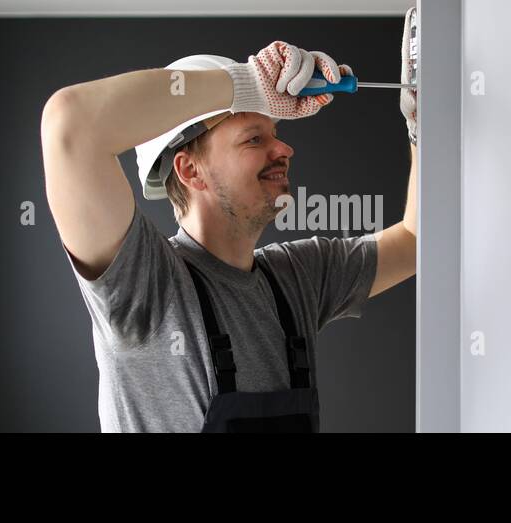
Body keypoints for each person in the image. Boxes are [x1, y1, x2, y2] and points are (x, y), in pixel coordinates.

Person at [40, 10, 420, 432]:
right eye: (255, 138)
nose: (284, 149)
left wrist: (420, 125)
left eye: (274, 131)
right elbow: (69, 123)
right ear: (190, 171)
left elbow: (417, 239)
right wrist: (247, 84)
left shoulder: (296, 277)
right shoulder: (147, 284)